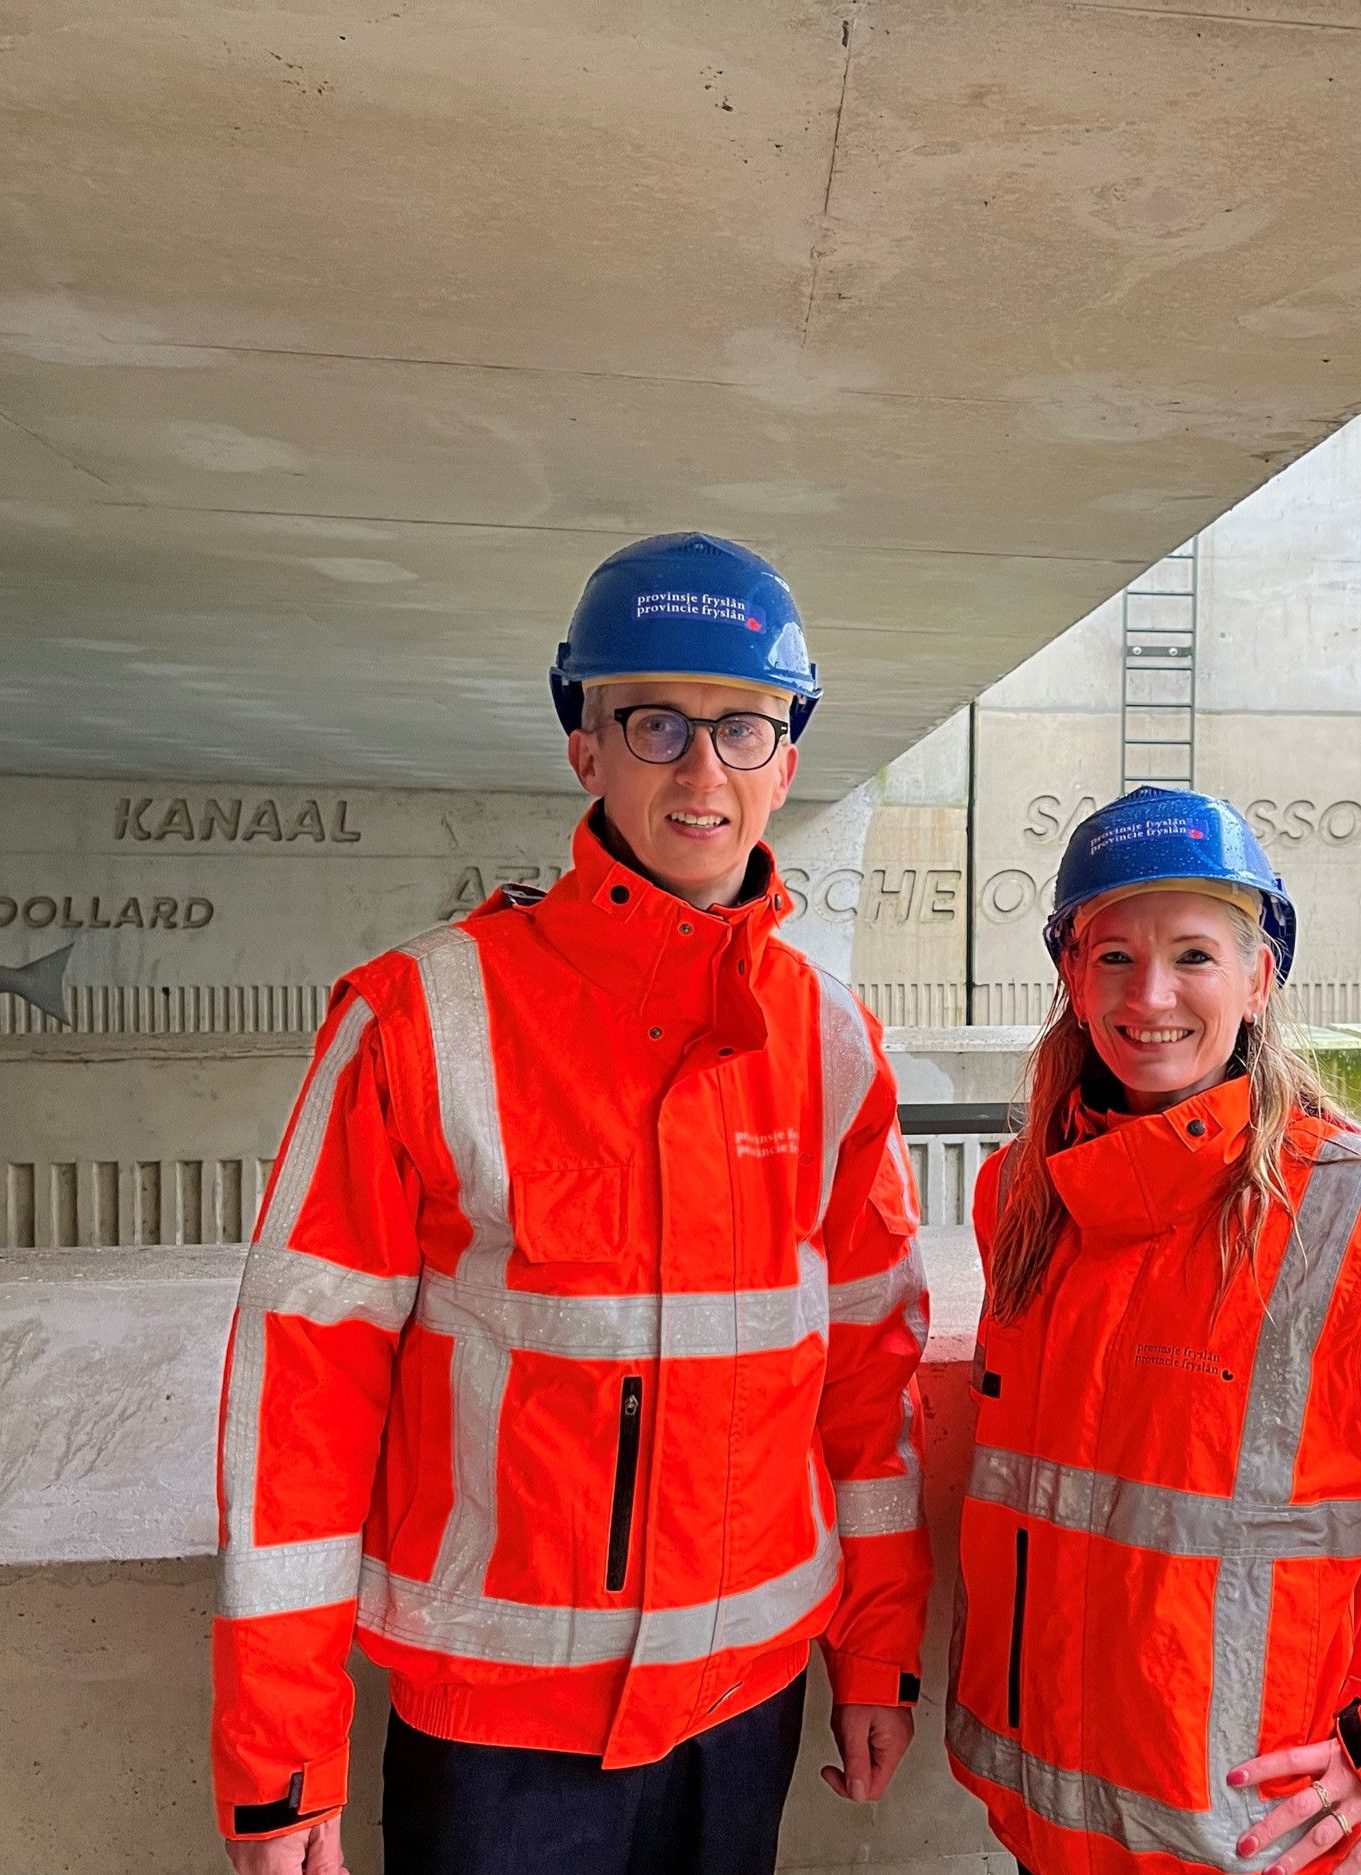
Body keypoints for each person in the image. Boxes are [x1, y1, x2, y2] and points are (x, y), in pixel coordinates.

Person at [211, 532, 932, 1875]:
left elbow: (871, 1375)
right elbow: (300, 1398)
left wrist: (878, 1645)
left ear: (790, 753)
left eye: (742, 726)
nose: (701, 767)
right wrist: (281, 1751)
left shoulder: (833, 1041)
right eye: (653, 720)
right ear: (583, 746)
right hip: (495, 1731)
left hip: (746, 1704)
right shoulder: (418, 1013)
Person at [946, 787, 1361, 1874]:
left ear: (1260, 978)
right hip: (1036, 1828)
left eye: (1194, 956)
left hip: (1238, 1848)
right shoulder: (1021, 1199)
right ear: (1071, 981)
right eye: (1111, 956)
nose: (1151, 994)